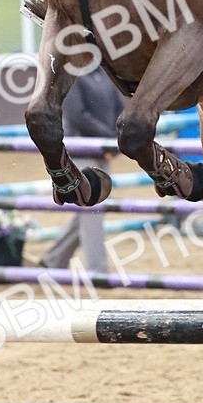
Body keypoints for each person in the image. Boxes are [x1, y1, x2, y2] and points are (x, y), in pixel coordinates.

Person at [39, 65, 124, 272]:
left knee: (87, 210)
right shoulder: (68, 75)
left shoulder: (105, 73)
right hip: (80, 151)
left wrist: (115, 139)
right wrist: (108, 139)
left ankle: (53, 259)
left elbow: (119, 107)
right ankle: (97, 269)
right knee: (93, 209)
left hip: (103, 150)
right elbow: (78, 115)